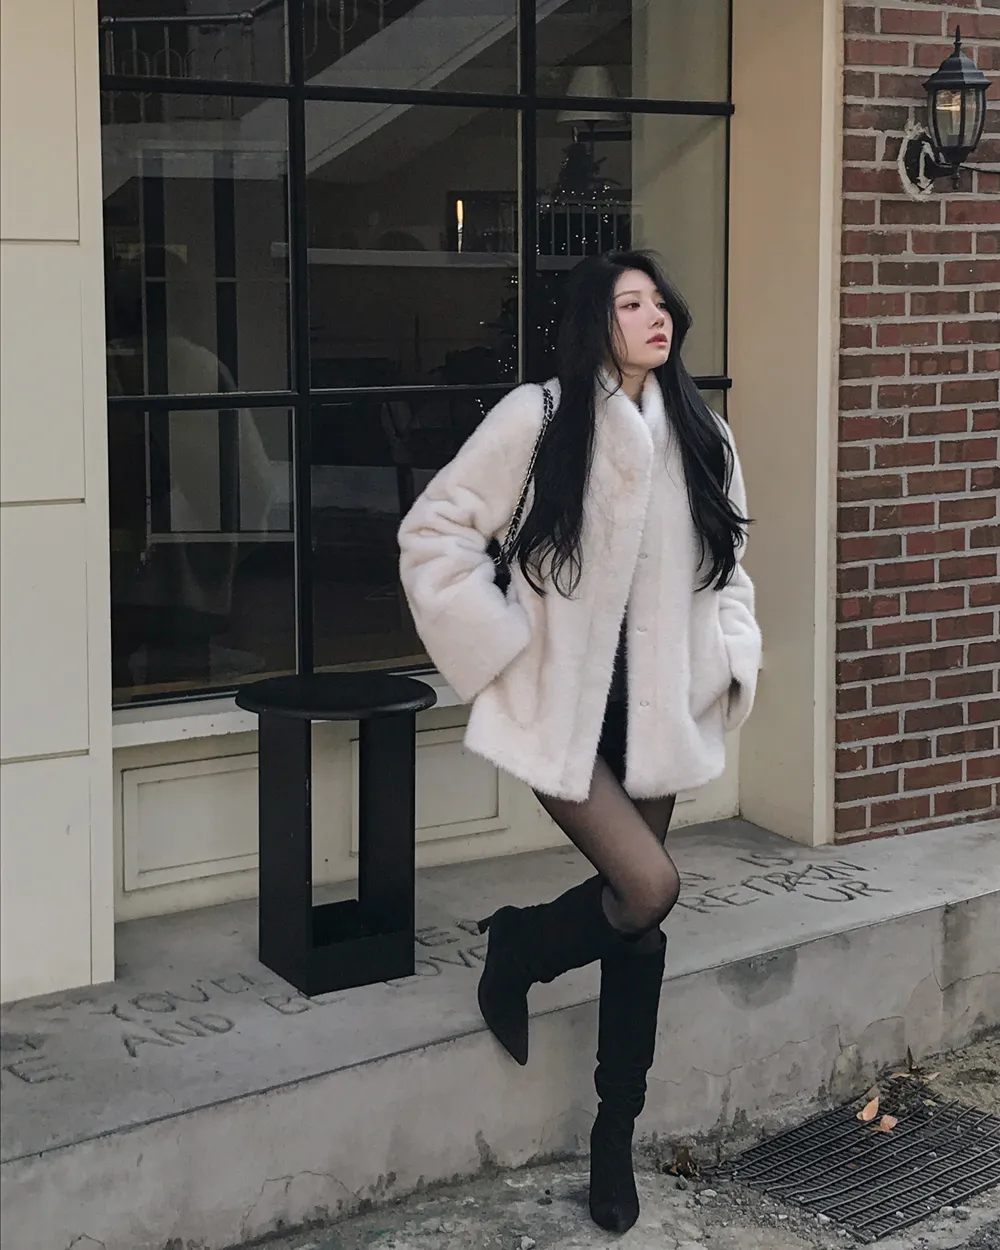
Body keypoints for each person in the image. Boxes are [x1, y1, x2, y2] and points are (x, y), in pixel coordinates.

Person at [398, 250, 761, 1233]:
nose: (653, 314)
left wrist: (729, 658)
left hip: (659, 711)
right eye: (629, 302)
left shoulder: (703, 430)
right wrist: (501, 651)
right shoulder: (540, 417)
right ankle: (518, 945)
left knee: (638, 923)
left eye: (660, 300)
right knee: (647, 889)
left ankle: (613, 1133)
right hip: (564, 711)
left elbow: (731, 568)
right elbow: (435, 534)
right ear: (593, 321)